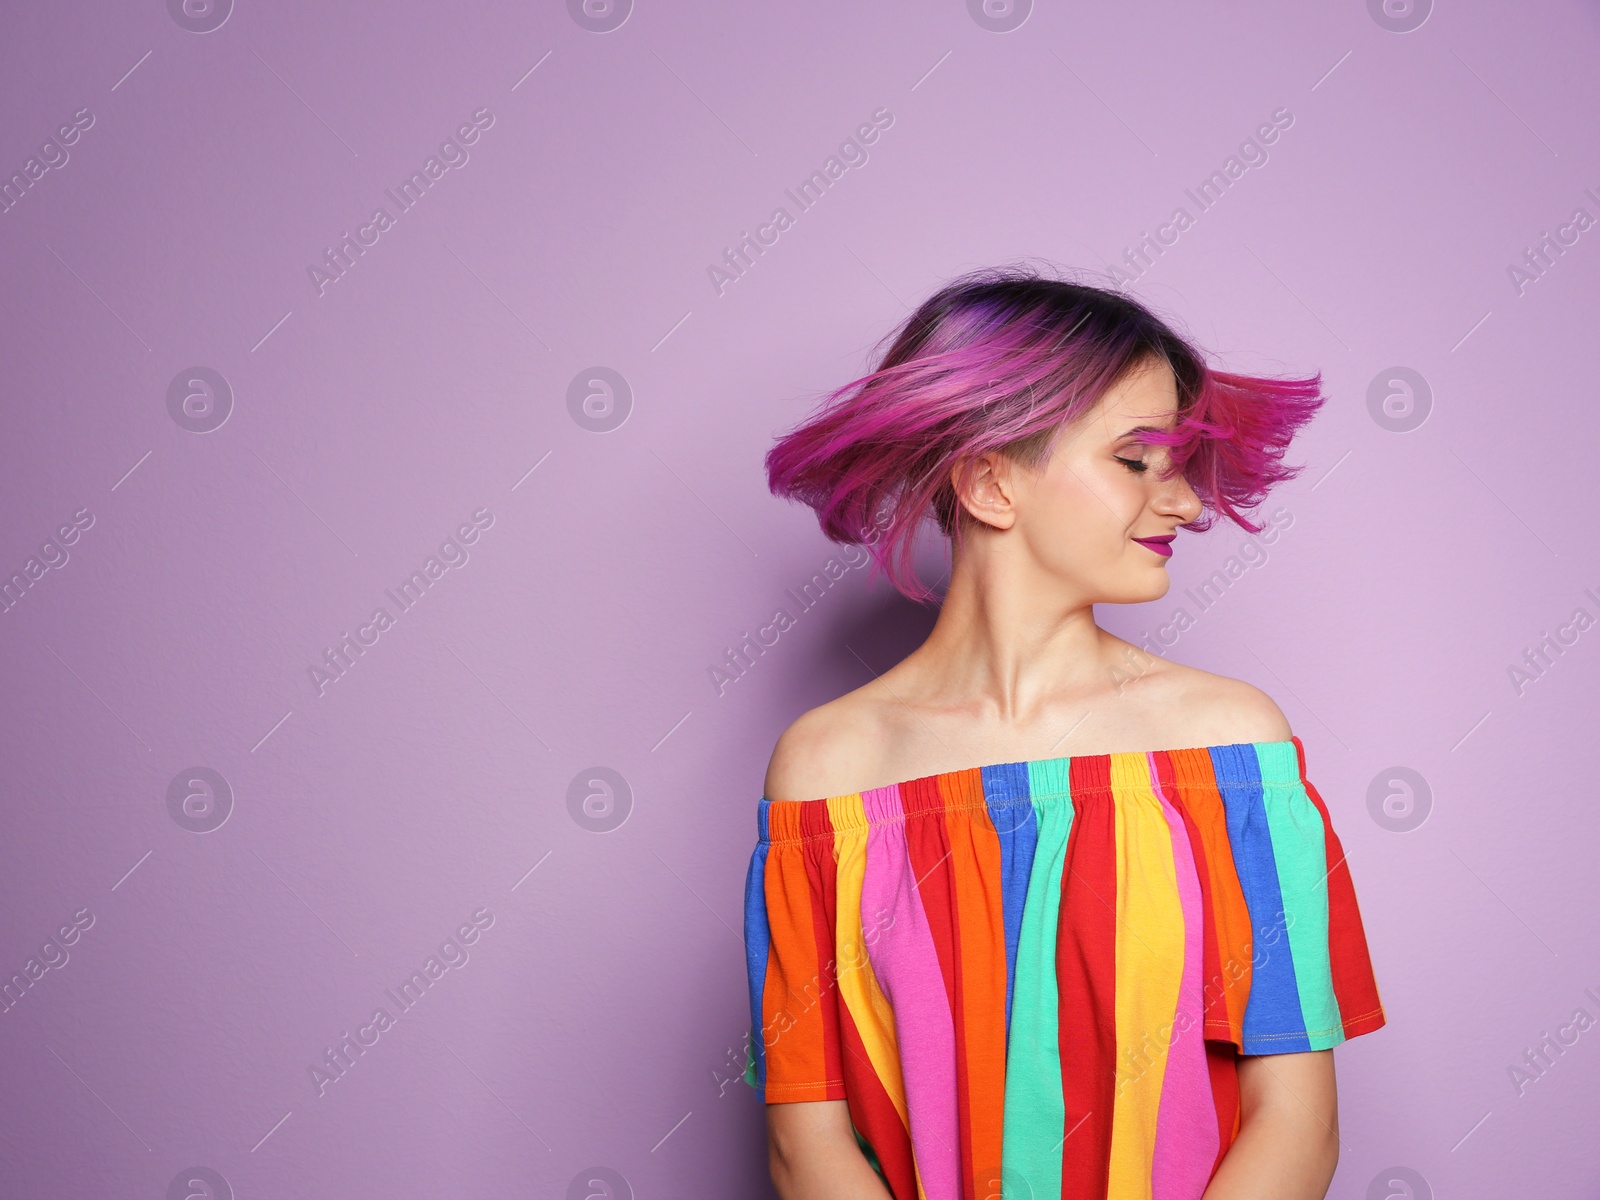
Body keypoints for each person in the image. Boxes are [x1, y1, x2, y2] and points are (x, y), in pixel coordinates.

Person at [740, 265, 1386, 1200]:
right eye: (1136, 461)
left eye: (1177, 468)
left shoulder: (1230, 751)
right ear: (990, 481)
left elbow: (1298, 1124)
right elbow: (809, 1147)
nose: (1187, 505)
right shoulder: (827, 770)